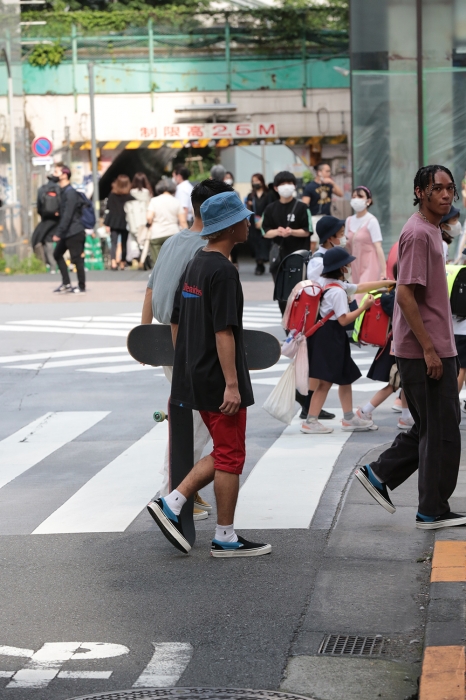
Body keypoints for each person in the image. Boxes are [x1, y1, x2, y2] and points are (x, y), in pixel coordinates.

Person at [147, 191, 271, 558]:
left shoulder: (196, 264)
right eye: (245, 218)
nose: (249, 223)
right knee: (231, 454)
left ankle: (179, 504)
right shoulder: (224, 271)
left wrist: (186, 367)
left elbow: (176, 319)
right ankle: (217, 531)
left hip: (195, 373)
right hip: (218, 379)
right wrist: (232, 384)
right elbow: (224, 332)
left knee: (225, 451)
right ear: (231, 227)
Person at [355, 164, 466, 530]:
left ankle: (379, 474)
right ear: (420, 192)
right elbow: (404, 295)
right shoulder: (419, 233)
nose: (447, 194)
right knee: (443, 431)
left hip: (432, 345)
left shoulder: (431, 229)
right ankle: (431, 509)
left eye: (450, 188)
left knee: (431, 425)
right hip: (425, 350)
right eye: (438, 188)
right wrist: (430, 351)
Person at [141, 178, 235, 519]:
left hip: (171, 340)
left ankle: (181, 490)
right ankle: (174, 491)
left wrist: (144, 336)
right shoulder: (207, 250)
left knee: (188, 419)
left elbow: (151, 290)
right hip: (192, 344)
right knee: (194, 422)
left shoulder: (172, 241)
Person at [302, 247, 394, 434]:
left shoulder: (329, 283)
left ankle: (349, 418)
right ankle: (310, 421)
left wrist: (387, 284)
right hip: (330, 337)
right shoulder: (337, 292)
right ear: (341, 267)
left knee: (346, 376)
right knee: (325, 382)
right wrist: (364, 307)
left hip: (331, 337)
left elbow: (359, 287)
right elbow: (344, 319)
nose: (350, 267)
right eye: (347, 264)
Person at [355, 266, 414, 431]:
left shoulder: (391, 294)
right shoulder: (401, 296)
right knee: (395, 383)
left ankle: (406, 416)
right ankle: (365, 411)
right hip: (399, 345)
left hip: (393, 344)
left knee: (403, 382)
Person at [262, 171, 311, 311]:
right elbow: (265, 232)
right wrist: (278, 231)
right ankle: (288, 329)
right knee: (283, 297)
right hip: (279, 259)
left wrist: (292, 232)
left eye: (289, 183)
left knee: (300, 295)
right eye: (282, 184)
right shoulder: (270, 209)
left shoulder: (302, 208)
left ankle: (299, 329)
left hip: (299, 258)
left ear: (294, 186)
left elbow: (307, 231)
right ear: (276, 188)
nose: (286, 186)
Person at [52, 163, 86, 294]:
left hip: (74, 231)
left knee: (76, 258)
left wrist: (58, 233)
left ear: (64, 175)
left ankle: (81, 286)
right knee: (57, 254)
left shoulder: (70, 192)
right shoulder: (63, 191)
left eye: (56, 172)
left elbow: (68, 214)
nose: (53, 175)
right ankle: (66, 283)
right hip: (68, 231)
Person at [345, 186, 386, 296]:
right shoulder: (349, 221)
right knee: (357, 294)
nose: (356, 199)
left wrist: (384, 271)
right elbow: (346, 245)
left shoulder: (372, 221)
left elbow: (378, 246)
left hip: (370, 264)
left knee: (361, 295)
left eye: (360, 196)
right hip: (355, 264)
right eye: (354, 196)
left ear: (368, 201)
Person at [147, 179, 187, 266]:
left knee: (158, 263)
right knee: (172, 261)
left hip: (157, 234)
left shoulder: (154, 200)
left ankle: (158, 277)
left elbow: (149, 217)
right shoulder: (176, 201)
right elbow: (183, 221)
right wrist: (187, 234)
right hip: (173, 234)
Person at [302, 163, 343, 238]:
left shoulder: (329, 185)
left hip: (326, 216)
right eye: (327, 171)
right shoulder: (310, 187)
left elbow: (340, 194)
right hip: (314, 217)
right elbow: (304, 204)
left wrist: (332, 182)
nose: (329, 174)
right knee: (314, 241)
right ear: (319, 172)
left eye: (329, 171)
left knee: (328, 239)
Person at [104, 175, 134, 271]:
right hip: (125, 221)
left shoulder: (112, 195)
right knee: (124, 242)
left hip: (113, 221)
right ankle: (122, 262)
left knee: (114, 242)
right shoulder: (130, 197)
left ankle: (113, 262)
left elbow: (108, 209)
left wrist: (106, 223)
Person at [245, 173, 273, 276]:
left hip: (265, 221)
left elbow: (270, 208)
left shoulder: (269, 194)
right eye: (253, 181)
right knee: (255, 242)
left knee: (264, 242)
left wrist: (263, 220)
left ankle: (263, 260)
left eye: (257, 180)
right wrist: (249, 205)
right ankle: (259, 263)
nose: (255, 183)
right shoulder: (251, 196)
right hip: (253, 222)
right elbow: (247, 210)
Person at [32, 173, 61, 272]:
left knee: (46, 240)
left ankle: (50, 265)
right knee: (58, 241)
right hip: (58, 219)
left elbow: (39, 205)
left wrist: (43, 214)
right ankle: (58, 264)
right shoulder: (59, 189)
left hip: (46, 219)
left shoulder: (42, 189)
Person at [125, 172, 153, 268]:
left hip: (133, 220)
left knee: (133, 239)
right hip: (144, 220)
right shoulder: (147, 193)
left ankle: (135, 258)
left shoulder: (130, 193)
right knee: (144, 239)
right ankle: (145, 257)